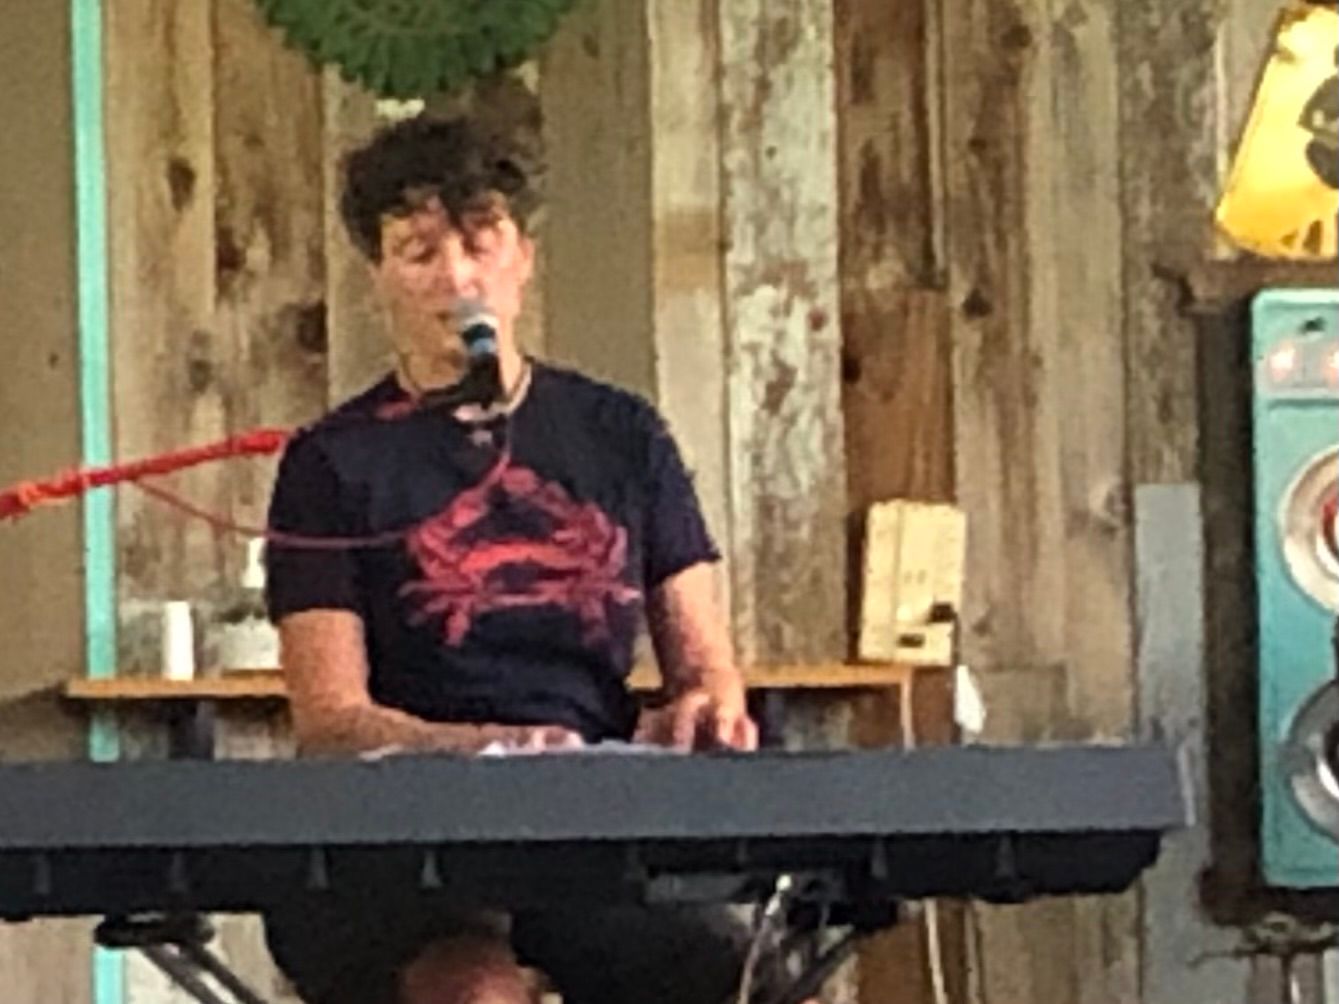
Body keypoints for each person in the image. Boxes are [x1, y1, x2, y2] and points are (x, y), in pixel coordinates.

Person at [259, 114, 794, 1004]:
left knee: (748, 981)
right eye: (418, 251)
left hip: (589, 837)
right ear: (377, 276)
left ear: (522, 258)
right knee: (473, 989)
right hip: (398, 846)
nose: (456, 276)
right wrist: (490, 749)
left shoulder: (622, 435)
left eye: (480, 242)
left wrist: (701, 712)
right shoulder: (331, 462)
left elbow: (707, 667)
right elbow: (332, 721)